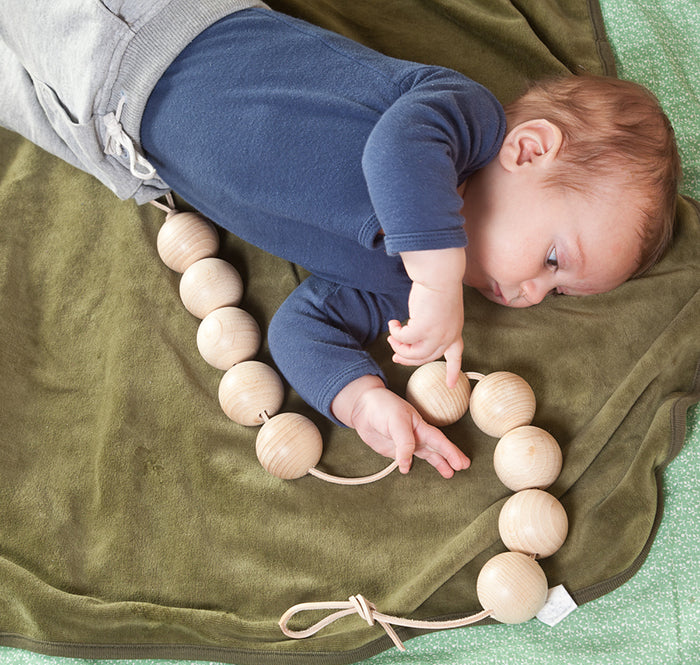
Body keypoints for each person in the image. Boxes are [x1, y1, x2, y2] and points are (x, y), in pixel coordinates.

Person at [1, 2, 680, 478]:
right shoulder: (459, 121)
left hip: (111, 139)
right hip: (143, 32)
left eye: (557, 292)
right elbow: (396, 151)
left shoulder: (397, 290)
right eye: (554, 260)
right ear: (528, 151)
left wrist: (362, 400)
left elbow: (306, 325)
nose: (532, 293)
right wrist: (438, 277)